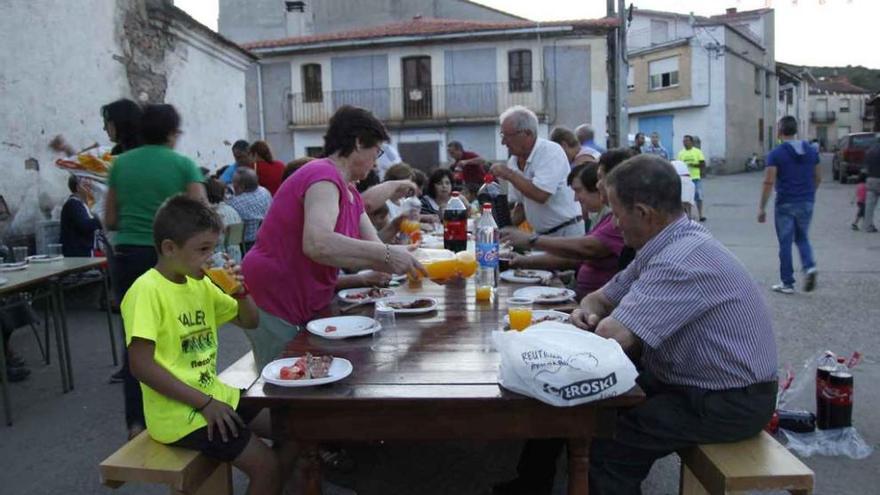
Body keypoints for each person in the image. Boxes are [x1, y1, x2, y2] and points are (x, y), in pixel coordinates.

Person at [494, 155, 778, 495]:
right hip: (690, 382)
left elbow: (613, 337)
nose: (612, 223)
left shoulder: (680, 260)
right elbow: (599, 298)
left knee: (609, 448)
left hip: (728, 400)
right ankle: (532, 483)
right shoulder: (665, 243)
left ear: (643, 212)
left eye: (615, 212)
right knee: (568, 402)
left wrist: (590, 324)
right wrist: (587, 311)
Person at [123, 195, 295, 495]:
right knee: (265, 466)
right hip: (181, 414)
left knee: (297, 430)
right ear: (169, 248)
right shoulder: (147, 290)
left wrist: (241, 292)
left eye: (213, 249)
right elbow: (140, 365)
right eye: (203, 249)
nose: (210, 257)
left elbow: (250, 321)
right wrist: (204, 403)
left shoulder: (199, 283)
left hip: (214, 397)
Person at [241, 105, 425, 369]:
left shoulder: (347, 190)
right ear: (360, 142)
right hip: (276, 295)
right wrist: (387, 255)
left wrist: (419, 262)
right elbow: (317, 244)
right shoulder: (322, 175)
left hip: (300, 297)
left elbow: (375, 251)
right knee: (285, 385)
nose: (377, 160)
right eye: (377, 152)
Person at [105, 103, 207, 439]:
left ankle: (137, 423)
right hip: (170, 257)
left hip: (129, 256)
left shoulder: (120, 165)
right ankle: (184, 413)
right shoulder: (182, 164)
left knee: (138, 341)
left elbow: (110, 219)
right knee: (183, 336)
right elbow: (201, 214)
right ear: (171, 134)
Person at [502, 159, 623, 299]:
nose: (576, 199)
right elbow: (579, 259)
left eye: (578, 191)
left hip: (591, 304)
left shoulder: (617, 220)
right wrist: (523, 261)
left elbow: (587, 248)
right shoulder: (602, 217)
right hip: (581, 296)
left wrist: (530, 240)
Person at [489, 106, 584, 238]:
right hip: (539, 235)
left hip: (565, 231)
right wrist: (502, 229)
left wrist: (509, 174)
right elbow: (522, 205)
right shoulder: (513, 161)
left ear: (527, 133)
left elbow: (541, 195)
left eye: (507, 136)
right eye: (502, 135)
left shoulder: (550, 152)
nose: (503, 142)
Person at [758, 116, 820, 294]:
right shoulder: (811, 151)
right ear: (795, 130)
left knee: (785, 242)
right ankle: (810, 267)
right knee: (802, 237)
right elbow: (818, 177)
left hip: (785, 202)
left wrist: (762, 207)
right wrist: (809, 194)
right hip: (806, 201)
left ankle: (787, 283)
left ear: (779, 131)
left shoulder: (776, 153)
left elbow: (769, 182)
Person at [228, 168, 272, 253]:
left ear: (242, 187)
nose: (232, 185)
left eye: (233, 182)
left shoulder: (234, 203)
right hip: (267, 238)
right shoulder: (264, 191)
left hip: (246, 245)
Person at [60, 174, 103, 257]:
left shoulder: (81, 204)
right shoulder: (73, 204)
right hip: (78, 253)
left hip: (85, 250)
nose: (90, 187)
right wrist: (102, 220)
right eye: (85, 185)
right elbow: (85, 225)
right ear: (78, 187)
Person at [205, 179, 242, 260]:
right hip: (236, 259)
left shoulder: (207, 216)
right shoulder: (233, 212)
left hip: (216, 263)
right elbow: (235, 240)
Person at [677, 135, 707, 221]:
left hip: (695, 177)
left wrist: (693, 165)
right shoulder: (681, 153)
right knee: (687, 197)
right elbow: (678, 165)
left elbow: (703, 164)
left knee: (698, 196)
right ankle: (688, 215)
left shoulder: (697, 152)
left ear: (691, 142)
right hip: (685, 178)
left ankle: (701, 215)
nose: (685, 142)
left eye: (687, 141)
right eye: (684, 141)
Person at [864, 141, 880, 233]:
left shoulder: (870, 151)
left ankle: (868, 225)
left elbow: (865, 168)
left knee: (869, 205)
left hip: (871, 179)